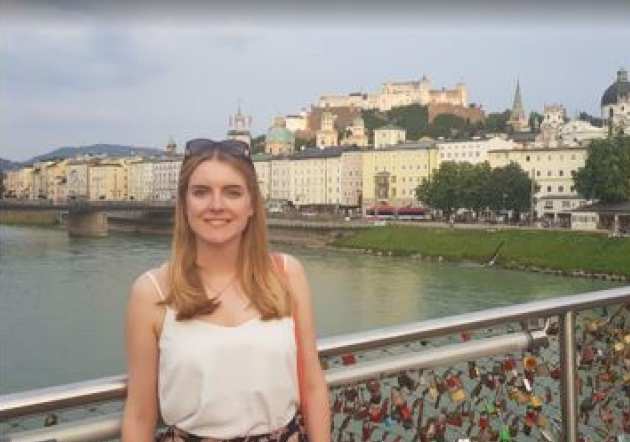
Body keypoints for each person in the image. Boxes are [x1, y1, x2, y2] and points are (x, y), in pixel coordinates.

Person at [122, 139, 330, 442]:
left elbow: (312, 384)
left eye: (232, 192)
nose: (216, 205)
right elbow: (140, 414)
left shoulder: (287, 275)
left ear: (251, 206)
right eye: (201, 192)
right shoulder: (151, 292)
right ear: (184, 205)